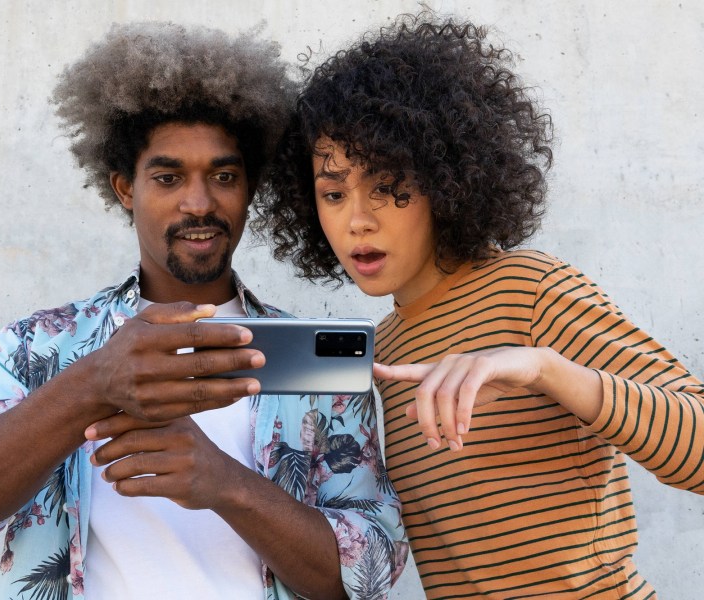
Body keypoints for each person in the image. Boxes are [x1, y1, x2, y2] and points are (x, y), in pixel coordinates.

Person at [0, 22, 408, 600]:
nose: (199, 203)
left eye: (223, 176)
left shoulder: (312, 362)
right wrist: (94, 383)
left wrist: (224, 483)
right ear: (124, 187)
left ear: (248, 190)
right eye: (168, 178)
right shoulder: (38, 347)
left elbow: (370, 574)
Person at [257, 11, 704, 599]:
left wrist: (545, 368)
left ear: (446, 180)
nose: (358, 220)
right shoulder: (383, 352)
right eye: (334, 193)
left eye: (390, 186)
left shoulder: (533, 289)